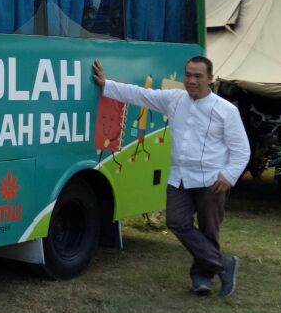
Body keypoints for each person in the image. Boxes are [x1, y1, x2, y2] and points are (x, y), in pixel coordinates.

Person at [92, 56, 250, 296]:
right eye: (188, 75)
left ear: (210, 79)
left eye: (198, 76)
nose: (192, 80)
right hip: (180, 177)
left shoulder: (226, 111)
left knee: (209, 231)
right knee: (176, 222)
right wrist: (107, 85)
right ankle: (224, 265)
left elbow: (241, 149)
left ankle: (202, 277)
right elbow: (141, 95)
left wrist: (228, 176)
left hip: (212, 180)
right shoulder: (175, 99)